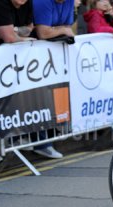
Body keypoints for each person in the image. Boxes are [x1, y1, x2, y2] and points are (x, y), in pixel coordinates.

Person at [31, 0, 75, 159]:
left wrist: (57, 29)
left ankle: (46, 140)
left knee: (54, 97)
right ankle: (41, 143)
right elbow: (43, 32)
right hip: (33, 56)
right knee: (38, 99)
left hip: (54, 55)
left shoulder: (69, 2)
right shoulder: (42, 2)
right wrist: (61, 29)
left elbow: (69, 29)